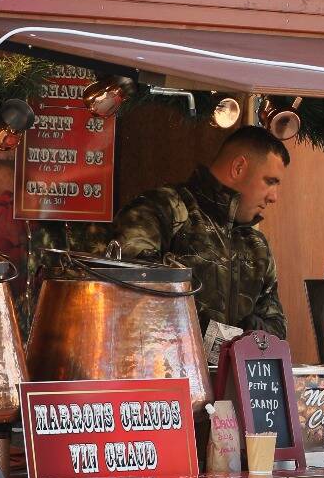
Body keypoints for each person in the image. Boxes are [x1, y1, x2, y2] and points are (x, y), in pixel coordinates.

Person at [112, 125, 290, 338]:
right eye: (270, 182)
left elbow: (277, 327)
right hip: (163, 368)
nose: (274, 197)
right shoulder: (164, 209)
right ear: (239, 168)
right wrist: (226, 340)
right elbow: (132, 293)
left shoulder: (257, 246)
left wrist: (254, 333)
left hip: (235, 371)